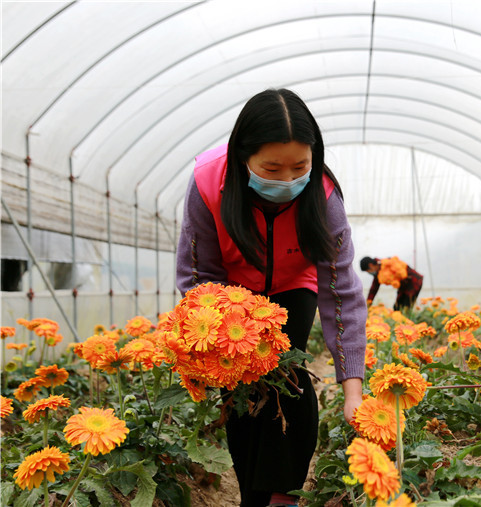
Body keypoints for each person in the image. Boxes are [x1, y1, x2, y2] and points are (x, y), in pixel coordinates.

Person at [176, 88, 367, 507]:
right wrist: (210, 339)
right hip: (230, 293)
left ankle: (284, 495)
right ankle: (253, 495)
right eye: (272, 168)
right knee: (240, 391)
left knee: (288, 372)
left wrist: (353, 389)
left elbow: (342, 293)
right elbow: (197, 275)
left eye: (299, 167)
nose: (287, 180)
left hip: (295, 284)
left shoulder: (324, 196)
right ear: (242, 156)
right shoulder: (208, 183)